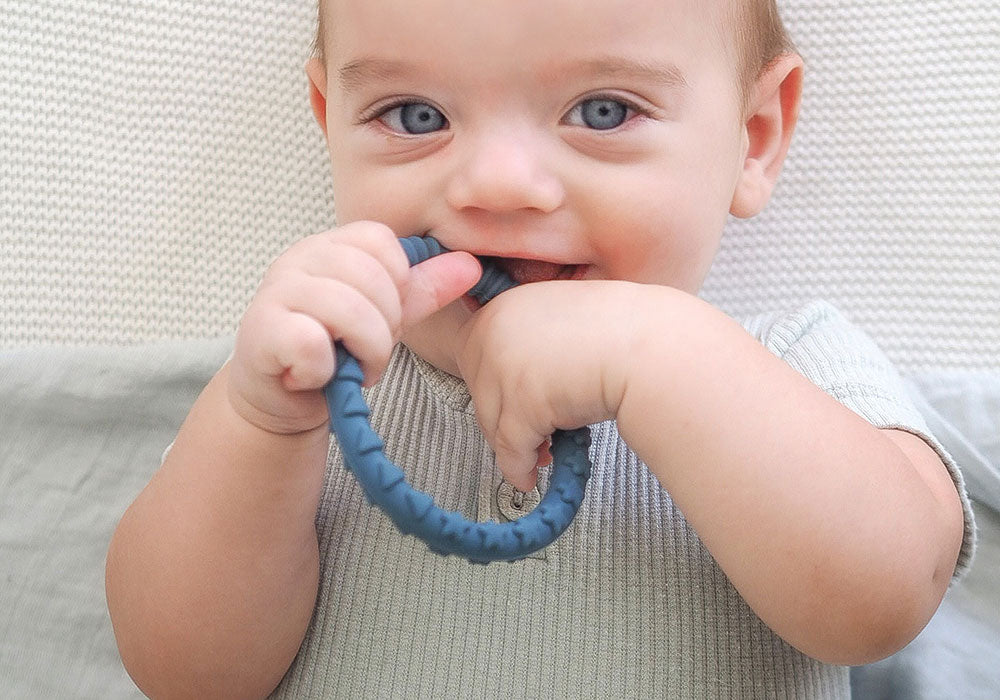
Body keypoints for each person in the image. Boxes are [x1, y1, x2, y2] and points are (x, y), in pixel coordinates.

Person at [105, 0, 976, 697]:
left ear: (752, 136)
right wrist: (264, 426)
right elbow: (184, 675)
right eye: (416, 115)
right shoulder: (310, 377)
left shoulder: (795, 361)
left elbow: (889, 600)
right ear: (331, 120)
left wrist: (654, 355)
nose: (498, 184)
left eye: (604, 110)